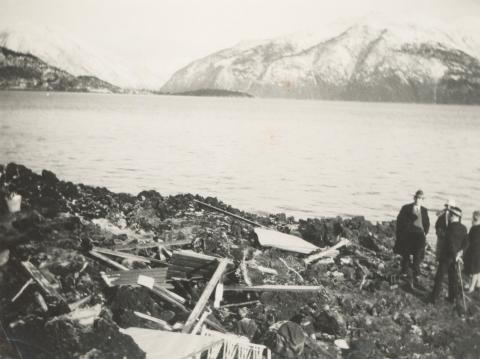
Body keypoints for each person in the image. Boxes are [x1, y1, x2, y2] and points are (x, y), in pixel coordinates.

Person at [429, 207, 468, 304]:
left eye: (451, 215)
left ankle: (434, 298)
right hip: (455, 257)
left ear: (455, 216)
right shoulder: (464, 228)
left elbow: (451, 243)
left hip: (447, 257)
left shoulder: (450, 227)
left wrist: (456, 254)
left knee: (439, 277)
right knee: (453, 278)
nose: (449, 216)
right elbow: (467, 242)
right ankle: (452, 299)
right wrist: (461, 252)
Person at [394, 189, 430, 288]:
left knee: (417, 256)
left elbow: (427, 224)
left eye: (421, 198)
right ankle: (404, 271)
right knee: (406, 254)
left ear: (422, 200)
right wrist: (402, 232)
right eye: (417, 198)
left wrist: (424, 233)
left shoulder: (424, 210)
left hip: (419, 236)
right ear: (414, 198)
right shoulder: (406, 208)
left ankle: (416, 274)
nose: (419, 200)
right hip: (408, 235)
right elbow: (399, 221)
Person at [464, 211, 480, 293]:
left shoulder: (474, 228)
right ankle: (476, 285)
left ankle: (472, 286)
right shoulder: (474, 228)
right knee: (476, 270)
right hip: (476, 251)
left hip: (475, 252)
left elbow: (469, 240)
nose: (472, 220)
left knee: (474, 270)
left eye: (475, 219)